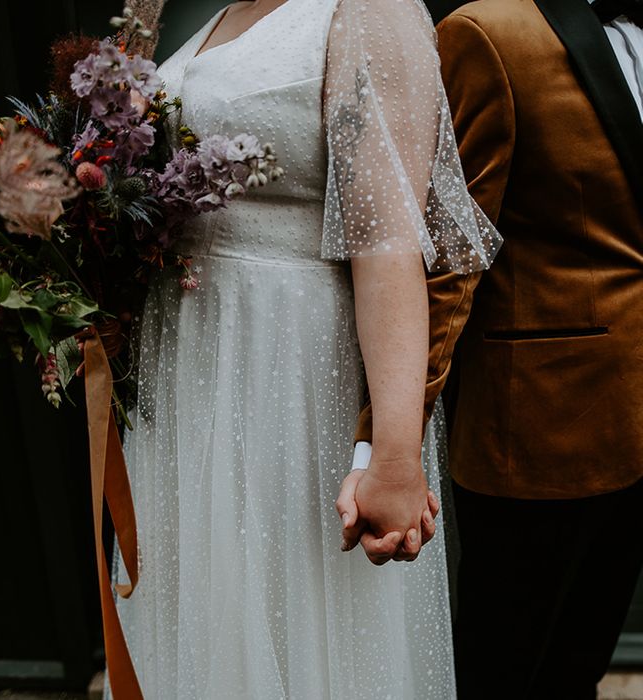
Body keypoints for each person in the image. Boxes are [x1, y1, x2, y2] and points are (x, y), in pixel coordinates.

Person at [113, 0, 500, 697]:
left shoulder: (370, 11)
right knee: (204, 602)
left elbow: (387, 247)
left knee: (294, 607)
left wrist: (393, 453)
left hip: (286, 368)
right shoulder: (213, 12)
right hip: (191, 366)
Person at [348, 0, 643, 697]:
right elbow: (449, 259)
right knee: (505, 674)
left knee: (582, 666)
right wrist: (385, 448)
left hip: (636, 429)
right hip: (540, 434)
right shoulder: (488, 33)